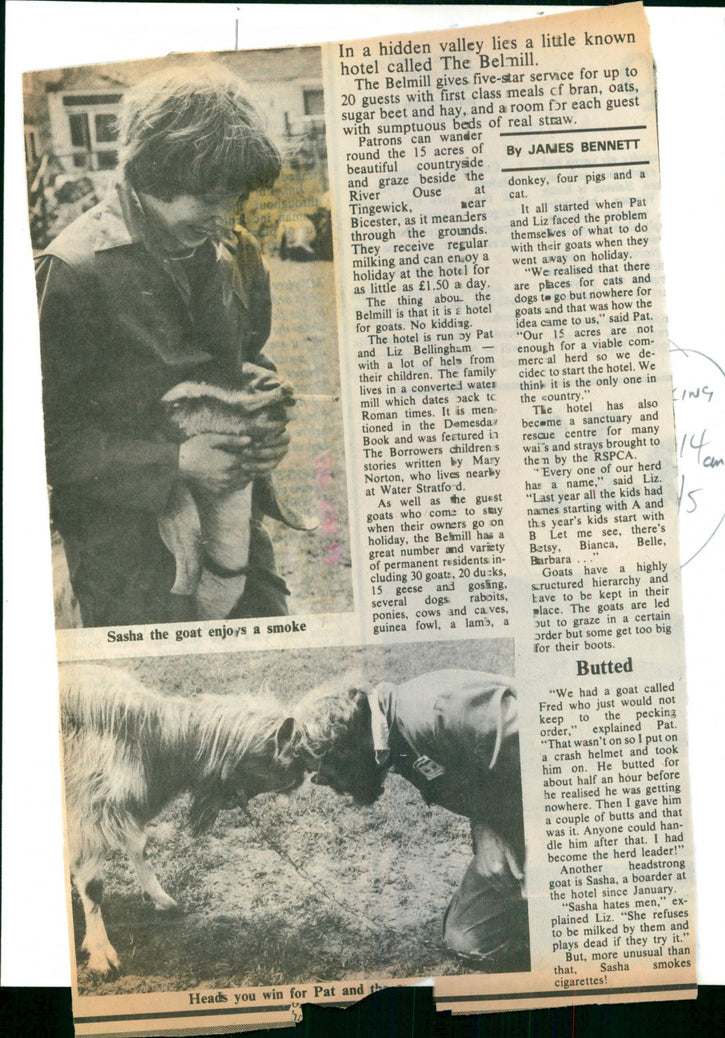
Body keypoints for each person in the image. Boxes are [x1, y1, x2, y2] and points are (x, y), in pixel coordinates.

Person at [36, 64, 297, 627]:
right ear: (150, 169)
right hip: (126, 553)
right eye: (206, 199)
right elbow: (45, 441)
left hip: (234, 527)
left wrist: (263, 416)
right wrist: (175, 463)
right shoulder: (73, 271)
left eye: (234, 199)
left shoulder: (236, 249)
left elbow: (247, 359)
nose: (224, 218)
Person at [295, 668, 530, 972]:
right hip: (515, 822)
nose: (328, 785)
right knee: (467, 939)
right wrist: (486, 826)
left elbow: (551, 762)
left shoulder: (438, 714)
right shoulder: (396, 735)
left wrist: (493, 827)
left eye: (323, 773)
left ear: (343, 748)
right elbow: (481, 777)